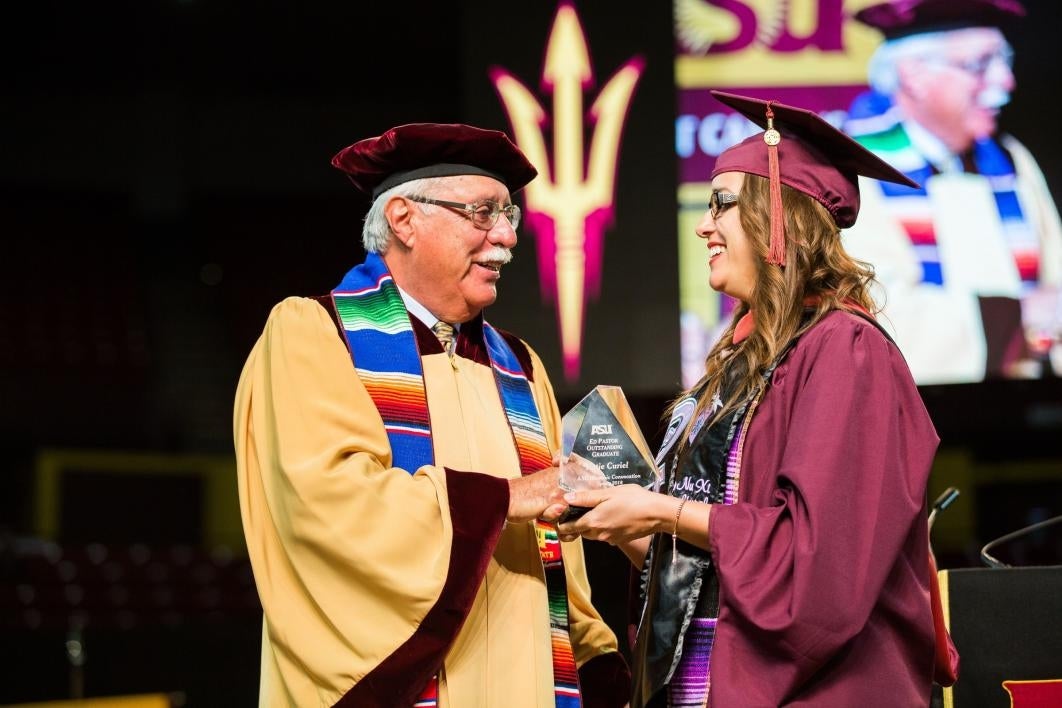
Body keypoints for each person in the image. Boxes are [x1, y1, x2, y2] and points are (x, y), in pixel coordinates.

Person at [557, 92, 957, 706]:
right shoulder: (741, 367)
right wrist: (618, 516)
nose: (702, 223)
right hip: (707, 684)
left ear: (780, 217)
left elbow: (820, 568)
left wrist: (662, 512)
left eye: (721, 202)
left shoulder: (846, 351)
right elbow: (708, 569)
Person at [234, 122, 630, 707]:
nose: (506, 237)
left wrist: (594, 656)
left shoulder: (519, 366)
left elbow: (559, 561)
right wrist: (503, 499)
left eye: (510, 216)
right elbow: (325, 505)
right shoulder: (316, 335)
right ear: (403, 219)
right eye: (483, 213)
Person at [843, 0, 1062, 383]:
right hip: (915, 412)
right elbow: (870, 320)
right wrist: (1021, 316)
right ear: (913, 75)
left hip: (1024, 411)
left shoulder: (1011, 161)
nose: (1004, 82)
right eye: (979, 65)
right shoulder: (855, 171)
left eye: (1004, 61)